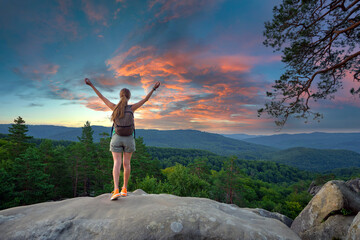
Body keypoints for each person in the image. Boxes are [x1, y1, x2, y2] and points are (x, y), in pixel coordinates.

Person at [85, 78, 161, 200]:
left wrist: (91, 85)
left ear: (120, 96)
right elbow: (146, 99)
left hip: (116, 138)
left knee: (116, 163)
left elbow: (102, 97)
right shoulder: (132, 108)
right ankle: (124, 189)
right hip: (129, 139)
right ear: (129, 97)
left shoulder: (114, 107)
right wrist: (153, 88)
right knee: (127, 164)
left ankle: (116, 190)